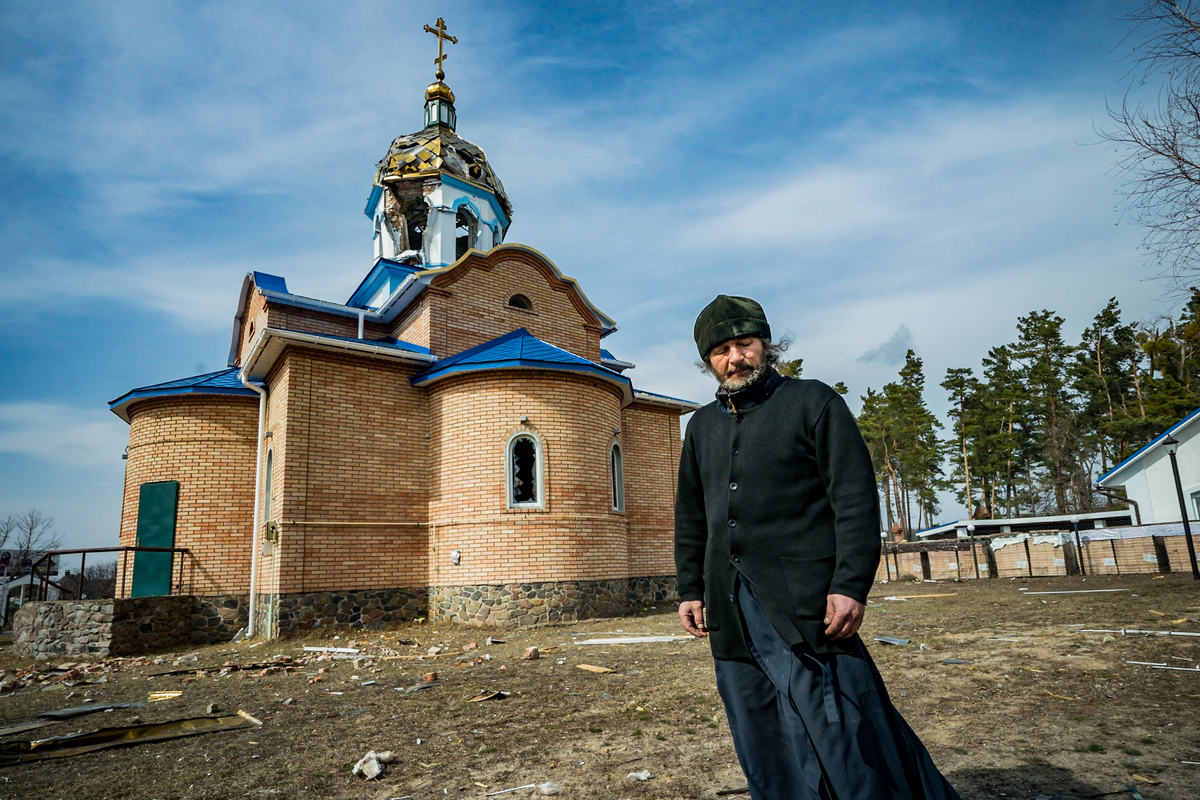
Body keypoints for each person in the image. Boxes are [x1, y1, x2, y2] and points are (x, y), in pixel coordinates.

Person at [674, 295, 961, 800]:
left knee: (842, 730)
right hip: (731, 608)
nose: (735, 358)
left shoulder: (814, 403)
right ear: (708, 362)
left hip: (806, 604)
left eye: (744, 343)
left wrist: (850, 585)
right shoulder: (699, 428)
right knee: (759, 732)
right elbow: (692, 516)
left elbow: (853, 501)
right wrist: (690, 589)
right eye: (721, 351)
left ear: (766, 345)